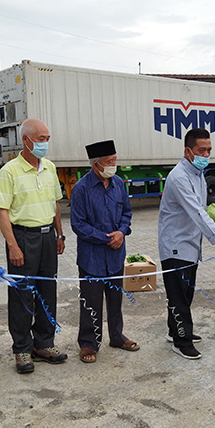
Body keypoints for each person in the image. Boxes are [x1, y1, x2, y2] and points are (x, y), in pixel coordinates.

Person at [158, 128, 215, 360]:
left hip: (190, 244)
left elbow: (201, 211)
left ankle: (175, 330)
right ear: (188, 151)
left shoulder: (197, 174)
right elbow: (196, 213)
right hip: (175, 245)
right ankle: (181, 341)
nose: (206, 154)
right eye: (201, 150)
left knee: (185, 292)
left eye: (209, 150)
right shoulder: (179, 177)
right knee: (178, 296)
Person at [0, 118, 68, 373]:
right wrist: (13, 245)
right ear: (26, 141)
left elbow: (56, 203)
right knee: (22, 295)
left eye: (47, 139)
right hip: (23, 238)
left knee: (48, 291)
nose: (45, 144)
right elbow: (2, 211)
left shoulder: (49, 167)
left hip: (48, 237)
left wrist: (60, 234)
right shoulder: (10, 171)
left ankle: (44, 343)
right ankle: (22, 349)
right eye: (40, 139)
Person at [70, 140, 138, 363]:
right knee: (91, 302)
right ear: (96, 164)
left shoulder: (119, 183)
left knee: (115, 300)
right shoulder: (81, 189)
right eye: (109, 162)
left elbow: (126, 213)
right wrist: (105, 238)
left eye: (115, 160)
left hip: (116, 254)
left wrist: (121, 232)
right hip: (92, 257)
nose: (113, 165)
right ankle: (89, 343)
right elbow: (78, 225)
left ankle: (117, 336)